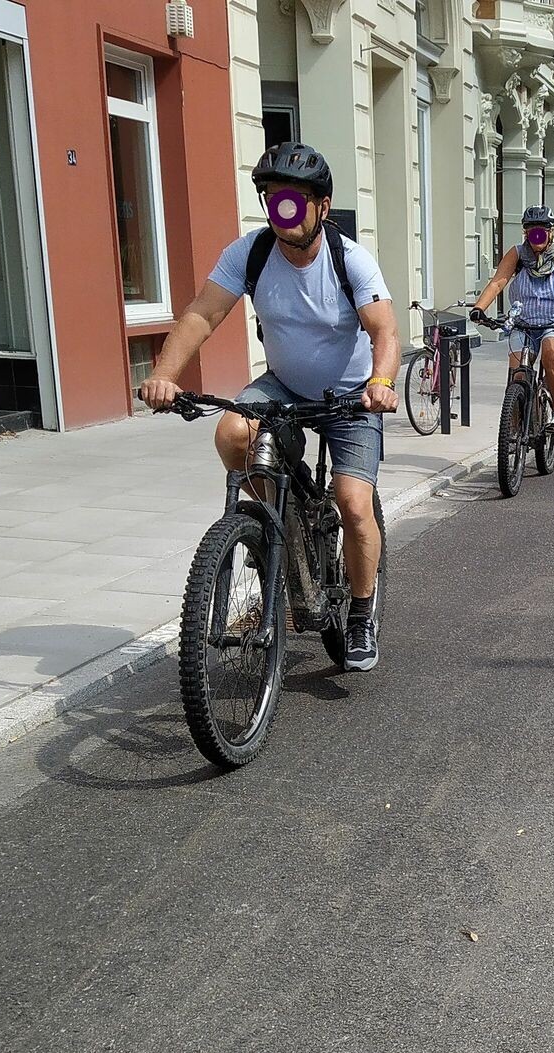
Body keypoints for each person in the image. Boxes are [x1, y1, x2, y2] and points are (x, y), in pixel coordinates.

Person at [138, 142, 400, 671]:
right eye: (276, 198)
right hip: (284, 384)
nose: (285, 210)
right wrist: (165, 376)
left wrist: (381, 382)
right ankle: (281, 525)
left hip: (351, 394)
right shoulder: (251, 253)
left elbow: (384, 331)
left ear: (322, 206)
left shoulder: (350, 259)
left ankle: (360, 613)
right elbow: (202, 314)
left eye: (296, 199)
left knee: (353, 503)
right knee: (232, 433)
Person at [471, 207, 554, 437]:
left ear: (550, 232)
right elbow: (497, 282)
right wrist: (479, 308)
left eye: (541, 231)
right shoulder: (518, 254)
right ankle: (512, 428)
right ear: (526, 233)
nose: (536, 236)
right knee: (518, 374)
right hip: (524, 323)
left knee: (552, 355)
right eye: (532, 232)